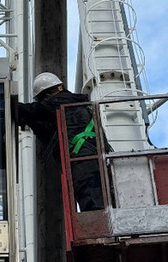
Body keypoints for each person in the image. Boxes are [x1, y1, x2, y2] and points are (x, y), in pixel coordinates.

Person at [15, 72, 104, 210]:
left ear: (46, 94)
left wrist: (12, 106)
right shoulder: (76, 105)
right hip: (95, 159)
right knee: (98, 198)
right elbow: (48, 131)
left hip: (82, 161)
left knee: (92, 202)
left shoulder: (59, 102)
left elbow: (34, 110)